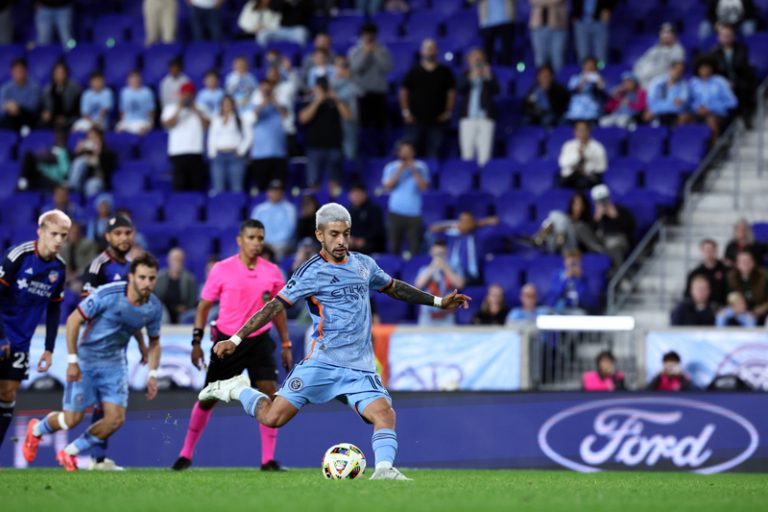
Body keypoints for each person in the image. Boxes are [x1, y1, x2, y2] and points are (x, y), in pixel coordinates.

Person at [196, 203, 468, 480]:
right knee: (272, 419)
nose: (341, 241)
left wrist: (438, 301)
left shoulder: (364, 264)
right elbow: (273, 307)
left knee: (385, 414)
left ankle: (384, 470)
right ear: (319, 235)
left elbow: (394, 287)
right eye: (335, 234)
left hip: (359, 367)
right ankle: (236, 388)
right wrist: (236, 338)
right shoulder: (310, 272)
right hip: (322, 363)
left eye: (346, 234)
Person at [22, 253, 163, 471]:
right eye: (142, 277)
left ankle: (69, 452)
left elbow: (153, 339)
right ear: (132, 277)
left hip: (115, 364)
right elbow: (73, 320)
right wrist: (72, 360)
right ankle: (36, 430)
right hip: (87, 360)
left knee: (115, 419)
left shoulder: (154, 307)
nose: (147, 283)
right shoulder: (108, 294)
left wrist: (152, 373)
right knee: (71, 419)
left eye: (152, 278)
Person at [171, 220, 292, 471]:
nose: (257, 243)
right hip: (227, 341)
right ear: (239, 240)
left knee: (270, 395)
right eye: (251, 237)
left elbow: (278, 310)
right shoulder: (221, 269)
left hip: (260, 340)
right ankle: (186, 453)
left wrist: (286, 343)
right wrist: (196, 342)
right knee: (208, 398)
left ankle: (268, 460)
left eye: (260, 238)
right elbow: (203, 306)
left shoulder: (272, 271)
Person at [0, 210, 71, 452]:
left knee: (8, 394)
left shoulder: (59, 269)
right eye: (54, 234)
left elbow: (54, 309)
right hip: (1, 331)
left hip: (21, 340)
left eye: (64, 235)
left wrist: (49, 349)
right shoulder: (18, 256)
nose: (59, 240)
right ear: (40, 232)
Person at [399, 39, 456, 159]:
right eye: (427, 48)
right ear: (422, 51)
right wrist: (406, 112)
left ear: (437, 50)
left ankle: (430, 175)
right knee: (411, 150)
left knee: (434, 151)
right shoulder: (413, 70)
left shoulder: (445, 71)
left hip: (437, 119)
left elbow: (451, 93)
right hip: (415, 119)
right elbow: (404, 91)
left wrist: (448, 112)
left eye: (432, 48)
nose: (430, 51)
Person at [298, 77, 351, 196]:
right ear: (315, 88)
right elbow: (303, 119)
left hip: (334, 147)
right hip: (314, 148)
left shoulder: (335, 102)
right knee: (313, 182)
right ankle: (316, 210)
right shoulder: (309, 101)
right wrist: (317, 101)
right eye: (320, 87)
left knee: (335, 180)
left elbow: (348, 116)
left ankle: (335, 208)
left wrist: (336, 99)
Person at [382, 141, 430, 256]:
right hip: (395, 212)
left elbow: (424, 187)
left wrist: (414, 170)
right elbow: (388, 187)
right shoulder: (391, 167)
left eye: (408, 151)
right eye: (403, 151)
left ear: (413, 152)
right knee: (394, 247)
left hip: (414, 213)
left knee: (414, 247)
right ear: (399, 153)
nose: (406, 154)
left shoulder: (421, 167)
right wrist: (400, 171)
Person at [348, 23, 392, 143]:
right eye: (366, 35)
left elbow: (387, 68)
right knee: (362, 127)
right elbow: (355, 69)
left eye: (371, 35)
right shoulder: (355, 51)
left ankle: (381, 150)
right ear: (362, 35)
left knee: (380, 127)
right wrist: (365, 54)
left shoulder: (383, 51)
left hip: (379, 93)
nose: (368, 37)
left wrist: (376, 53)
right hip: (361, 93)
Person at [707, 23, 757, 127]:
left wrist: (734, 82)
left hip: (740, 80)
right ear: (719, 37)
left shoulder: (742, 49)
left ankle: (746, 116)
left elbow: (742, 68)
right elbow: (715, 72)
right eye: (723, 36)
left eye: (729, 35)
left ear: (733, 36)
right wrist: (725, 82)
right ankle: (726, 123)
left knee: (745, 87)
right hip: (723, 82)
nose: (726, 38)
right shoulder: (714, 53)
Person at [162, 82, 209, 191]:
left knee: (196, 185)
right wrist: (179, 109)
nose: (186, 97)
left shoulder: (202, 108)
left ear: (194, 95)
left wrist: (195, 110)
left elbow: (207, 125)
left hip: (195, 151)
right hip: (177, 151)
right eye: (184, 94)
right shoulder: (170, 108)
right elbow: (167, 124)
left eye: (189, 94)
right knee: (179, 185)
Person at [431, 211, 499, 286]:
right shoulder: (452, 236)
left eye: (467, 221)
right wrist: (453, 225)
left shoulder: (480, 235)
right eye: (462, 221)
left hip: (473, 276)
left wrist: (477, 224)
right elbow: (434, 228)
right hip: (452, 272)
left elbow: (494, 221)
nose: (464, 224)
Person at [457, 48, 499, 167]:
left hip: (485, 119)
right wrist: (471, 77)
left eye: (479, 58)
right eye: (474, 58)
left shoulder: (489, 75)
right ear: (469, 60)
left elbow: (496, 91)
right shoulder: (465, 75)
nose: (477, 61)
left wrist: (488, 77)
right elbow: (460, 89)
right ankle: (468, 181)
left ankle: (484, 181)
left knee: (485, 156)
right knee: (467, 154)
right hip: (467, 119)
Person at [246, 79, 289, 192]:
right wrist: (262, 104)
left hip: (278, 153)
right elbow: (250, 120)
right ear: (260, 90)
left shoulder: (280, 105)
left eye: (268, 89)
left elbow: (287, 118)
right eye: (264, 89)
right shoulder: (253, 106)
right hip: (259, 155)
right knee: (262, 188)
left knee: (279, 188)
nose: (266, 91)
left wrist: (274, 102)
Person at [208, 95, 252, 194]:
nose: (226, 106)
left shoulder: (240, 119)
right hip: (219, 156)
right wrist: (212, 154)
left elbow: (248, 136)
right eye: (224, 104)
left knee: (236, 188)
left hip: (235, 156)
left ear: (233, 105)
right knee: (218, 188)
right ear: (221, 106)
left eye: (229, 104)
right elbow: (212, 137)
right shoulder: (216, 120)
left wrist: (241, 151)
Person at [415, 240, 466, 327]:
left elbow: (460, 284)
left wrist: (445, 267)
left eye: (441, 254)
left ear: (446, 253)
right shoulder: (424, 269)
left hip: (447, 315)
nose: (439, 257)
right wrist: (432, 267)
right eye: (436, 254)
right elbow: (418, 285)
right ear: (432, 253)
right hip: (427, 316)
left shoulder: (454, 269)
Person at [689, 56, 737, 142]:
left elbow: (732, 102)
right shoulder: (693, 82)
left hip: (717, 114)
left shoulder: (720, 82)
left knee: (711, 120)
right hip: (697, 113)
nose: (705, 70)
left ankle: (714, 150)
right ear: (698, 69)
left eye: (707, 68)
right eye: (702, 68)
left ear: (711, 68)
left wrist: (711, 108)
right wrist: (697, 108)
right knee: (684, 118)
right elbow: (689, 101)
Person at [250, 180, 297, 260]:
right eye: (272, 190)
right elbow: (253, 228)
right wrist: (264, 242)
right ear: (267, 192)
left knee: (278, 251)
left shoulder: (289, 208)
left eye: (278, 191)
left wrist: (272, 243)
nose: (275, 193)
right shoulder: (259, 209)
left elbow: (290, 230)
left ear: (282, 193)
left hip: (280, 244)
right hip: (262, 242)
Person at [591, 184, 635, 268]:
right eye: (599, 201)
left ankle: (620, 277)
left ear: (609, 198)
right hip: (602, 242)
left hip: (619, 240)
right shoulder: (595, 215)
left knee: (615, 249)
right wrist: (596, 219)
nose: (603, 203)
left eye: (604, 200)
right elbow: (591, 233)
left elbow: (631, 227)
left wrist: (616, 217)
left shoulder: (621, 210)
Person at [68, 127, 117, 198]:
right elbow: (70, 167)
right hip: (81, 182)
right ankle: (72, 189)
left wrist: (98, 154)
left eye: (94, 137)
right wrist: (77, 152)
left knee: (91, 184)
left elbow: (106, 170)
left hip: (98, 180)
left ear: (101, 139)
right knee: (80, 161)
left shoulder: (108, 154)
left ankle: (90, 205)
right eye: (89, 137)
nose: (91, 140)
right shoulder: (83, 154)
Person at [633, 22, 686, 87]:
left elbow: (677, 70)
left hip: (664, 84)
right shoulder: (654, 49)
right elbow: (638, 65)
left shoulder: (678, 50)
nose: (665, 36)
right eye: (663, 33)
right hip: (645, 83)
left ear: (674, 36)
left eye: (668, 33)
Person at [18, 126, 70, 191]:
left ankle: (24, 183)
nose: (59, 139)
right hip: (39, 172)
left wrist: (60, 154)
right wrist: (44, 156)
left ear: (66, 139)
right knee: (28, 155)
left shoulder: (65, 152)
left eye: (62, 137)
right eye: (58, 136)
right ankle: (23, 180)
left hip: (50, 179)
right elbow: (40, 160)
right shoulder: (49, 149)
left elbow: (64, 172)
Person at [558, 121, 607, 190]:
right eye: (578, 130)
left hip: (588, 176)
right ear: (575, 132)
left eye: (584, 130)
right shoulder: (568, 145)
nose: (581, 132)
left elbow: (602, 167)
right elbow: (563, 163)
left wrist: (589, 166)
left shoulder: (597, 147)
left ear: (589, 131)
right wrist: (578, 155)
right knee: (561, 182)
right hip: (571, 175)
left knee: (583, 183)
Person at [155, 248, 199, 324]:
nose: (177, 262)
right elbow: (156, 296)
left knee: (187, 317)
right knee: (162, 315)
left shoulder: (190, 279)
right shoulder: (159, 277)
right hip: (164, 309)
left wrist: (186, 308)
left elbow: (193, 299)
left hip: (183, 311)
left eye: (179, 260)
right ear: (169, 260)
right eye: (174, 259)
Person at [331, 56, 362, 162]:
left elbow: (351, 116)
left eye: (342, 67)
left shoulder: (351, 88)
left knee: (348, 157)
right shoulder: (330, 85)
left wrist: (337, 99)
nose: (338, 70)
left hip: (346, 129)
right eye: (336, 66)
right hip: (330, 130)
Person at [726, 250, 768, 324]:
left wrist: (762, 308)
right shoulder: (731, 277)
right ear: (737, 264)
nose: (745, 264)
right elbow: (729, 296)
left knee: (750, 320)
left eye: (748, 261)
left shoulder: (763, 276)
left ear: (753, 263)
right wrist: (736, 306)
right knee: (721, 316)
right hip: (738, 308)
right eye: (742, 261)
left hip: (758, 309)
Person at [644, 61, 691, 126]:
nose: (679, 73)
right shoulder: (656, 82)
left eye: (681, 71)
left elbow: (681, 106)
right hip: (657, 114)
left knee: (684, 117)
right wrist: (671, 103)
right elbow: (651, 103)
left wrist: (662, 105)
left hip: (675, 115)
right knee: (647, 115)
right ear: (670, 69)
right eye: (677, 70)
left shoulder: (684, 85)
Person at [0, 58, 42, 132]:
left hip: (27, 118)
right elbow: (2, 107)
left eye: (21, 71)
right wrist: (8, 107)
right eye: (16, 71)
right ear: (11, 72)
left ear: (26, 71)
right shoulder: (6, 88)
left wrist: (17, 107)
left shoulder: (34, 87)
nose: (18, 73)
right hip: (9, 118)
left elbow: (33, 107)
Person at [685, 238, 728, 307]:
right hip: (700, 308)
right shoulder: (694, 273)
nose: (708, 253)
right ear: (701, 251)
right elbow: (687, 295)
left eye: (711, 250)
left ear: (716, 251)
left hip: (722, 308)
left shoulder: (726, 271)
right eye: (706, 250)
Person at [571, 0, 614, 65]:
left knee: (601, 53)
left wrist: (608, 9)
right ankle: (584, 73)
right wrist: (574, 15)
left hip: (599, 21)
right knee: (582, 53)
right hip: (581, 22)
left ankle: (601, 71)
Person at [529, 0, 568, 73]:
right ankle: (541, 82)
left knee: (557, 57)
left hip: (558, 26)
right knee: (540, 57)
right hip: (538, 26)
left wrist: (542, 2)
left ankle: (557, 82)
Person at [474, 0, 516, 66]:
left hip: (507, 19)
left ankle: (506, 73)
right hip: (487, 22)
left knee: (506, 52)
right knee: (487, 54)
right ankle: (487, 73)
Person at [41, 62, 81, 129]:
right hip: (53, 120)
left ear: (66, 74)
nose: (59, 75)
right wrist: (45, 113)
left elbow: (77, 111)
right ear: (53, 75)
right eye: (57, 73)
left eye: (62, 73)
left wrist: (66, 119)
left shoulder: (75, 89)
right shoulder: (48, 90)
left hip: (70, 119)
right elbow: (45, 108)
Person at [348, 183, 386, 255]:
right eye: (353, 194)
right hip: (354, 242)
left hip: (371, 242)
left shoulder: (374, 209)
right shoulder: (349, 211)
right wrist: (350, 238)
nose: (356, 197)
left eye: (358, 194)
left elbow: (377, 231)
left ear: (364, 194)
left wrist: (364, 240)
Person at [565, 57, 606, 122]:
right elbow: (571, 93)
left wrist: (599, 84)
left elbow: (603, 96)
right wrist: (583, 81)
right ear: (583, 66)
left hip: (592, 114)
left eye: (593, 66)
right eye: (588, 66)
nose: (590, 68)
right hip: (575, 113)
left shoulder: (599, 79)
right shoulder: (575, 78)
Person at [116, 71, 155, 136]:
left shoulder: (147, 92)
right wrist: (123, 121)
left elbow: (151, 111)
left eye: (137, 78)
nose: (135, 80)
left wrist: (150, 124)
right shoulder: (124, 92)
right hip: (127, 121)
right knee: (118, 133)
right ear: (128, 80)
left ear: (140, 79)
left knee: (142, 132)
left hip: (142, 121)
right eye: (132, 79)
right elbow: (122, 111)